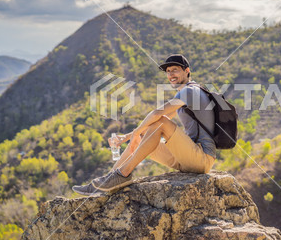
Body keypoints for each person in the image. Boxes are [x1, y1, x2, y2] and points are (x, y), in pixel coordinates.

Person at [72, 54, 216, 195]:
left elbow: (157, 114)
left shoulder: (190, 91)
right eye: (168, 71)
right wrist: (128, 137)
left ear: (187, 71)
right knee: (145, 132)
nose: (171, 74)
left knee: (159, 123)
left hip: (201, 158)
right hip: (185, 159)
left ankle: (123, 174)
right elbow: (160, 119)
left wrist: (135, 133)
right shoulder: (184, 94)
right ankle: (108, 181)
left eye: (175, 70)